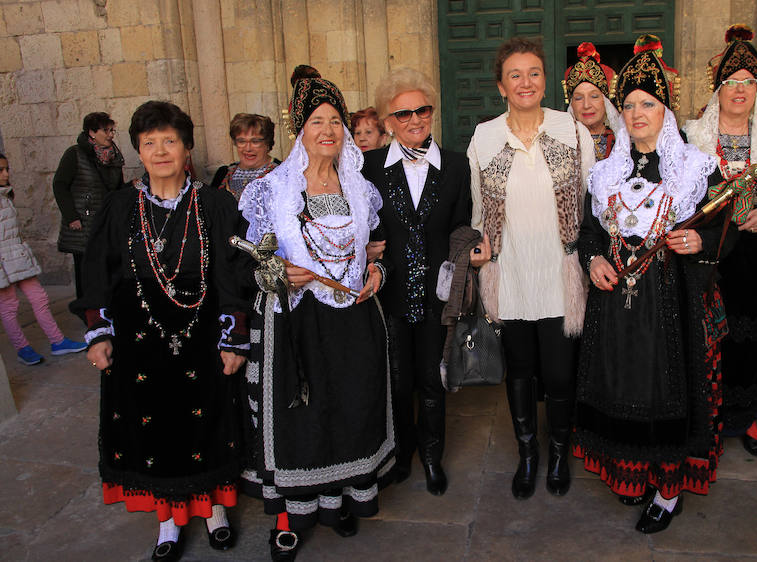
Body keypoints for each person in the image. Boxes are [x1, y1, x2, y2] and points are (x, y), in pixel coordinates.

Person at [72, 101, 253, 561]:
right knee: (153, 430)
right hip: (139, 342)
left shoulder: (214, 204)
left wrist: (232, 336)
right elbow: (97, 274)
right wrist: (99, 332)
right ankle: (168, 521)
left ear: (187, 147)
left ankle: (214, 511)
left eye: (170, 140)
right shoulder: (119, 207)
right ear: (138, 149)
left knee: (208, 422)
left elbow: (232, 275)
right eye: (149, 143)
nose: (160, 151)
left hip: (202, 335)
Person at [576, 36, 735, 535]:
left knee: (667, 389)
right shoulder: (606, 173)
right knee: (627, 386)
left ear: (666, 109)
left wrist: (697, 241)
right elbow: (588, 233)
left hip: (672, 303)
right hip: (617, 308)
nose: (636, 112)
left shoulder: (695, 169)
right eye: (627, 105)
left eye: (647, 103)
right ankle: (637, 473)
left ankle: (668, 489)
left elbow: (724, 238)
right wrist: (593, 259)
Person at [239, 73, 393, 561]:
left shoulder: (361, 189)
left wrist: (377, 272)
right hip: (297, 320)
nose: (327, 129)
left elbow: (374, 252)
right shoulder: (273, 189)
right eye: (315, 121)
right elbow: (254, 262)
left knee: (350, 406)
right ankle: (292, 515)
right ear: (299, 130)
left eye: (334, 121)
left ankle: (340, 499)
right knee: (302, 415)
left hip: (352, 318)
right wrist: (277, 269)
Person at [468, 36, 594, 499]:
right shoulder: (484, 136)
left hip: (561, 274)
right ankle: (528, 456)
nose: (526, 82)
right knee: (519, 371)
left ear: (547, 81)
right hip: (512, 273)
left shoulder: (572, 131)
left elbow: (590, 202)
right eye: (515, 75)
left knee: (559, 374)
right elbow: (480, 212)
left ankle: (559, 453)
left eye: (534, 73)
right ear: (501, 86)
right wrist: (480, 258)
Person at [683, 24, 757, 457]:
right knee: (708, 336)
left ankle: (745, 418)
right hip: (708, 256)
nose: (740, 90)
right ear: (718, 88)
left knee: (751, 337)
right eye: (732, 82)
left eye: (749, 83)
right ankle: (706, 414)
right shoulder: (693, 137)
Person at [362, 68, 471, 496]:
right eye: (402, 113)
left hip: (437, 295)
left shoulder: (456, 165)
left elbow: (462, 225)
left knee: (431, 378)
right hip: (386, 293)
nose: (414, 120)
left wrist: (470, 249)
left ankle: (431, 456)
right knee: (397, 378)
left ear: (431, 112)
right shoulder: (368, 167)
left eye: (421, 110)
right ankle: (401, 454)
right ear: (388, 122)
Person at [0, 154, 86, 365]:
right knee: (9, 306)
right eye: (1, 170)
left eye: (6, 169)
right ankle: (23, 349)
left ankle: (57, 341)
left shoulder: (6, 196)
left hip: (18, 258)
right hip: (3, 263)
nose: (6, 174)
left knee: (40, 298)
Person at [52, 112, 125, 299]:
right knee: (86, 270)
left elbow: (115, 189)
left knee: (108, 268)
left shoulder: (114, 157)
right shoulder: (74, 154)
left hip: (105, 223)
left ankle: (106, 308)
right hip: (83, 223)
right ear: (92, 132)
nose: (110, 135)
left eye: (112, 130)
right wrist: (71, 217)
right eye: (106, 130)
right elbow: (60, 185)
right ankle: (87, 311)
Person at [562, 41, 619, 161]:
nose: (586, 105)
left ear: (606, 102)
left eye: (594, 97)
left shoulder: (620, 142)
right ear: (571, 105)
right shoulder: (561, 143)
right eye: (578, 98)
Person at [209, 113, 280, 200]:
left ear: (267, 143)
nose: (248, 148)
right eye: (241, 141)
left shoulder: (281, 173)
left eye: (255, 141)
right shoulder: (223, 173)